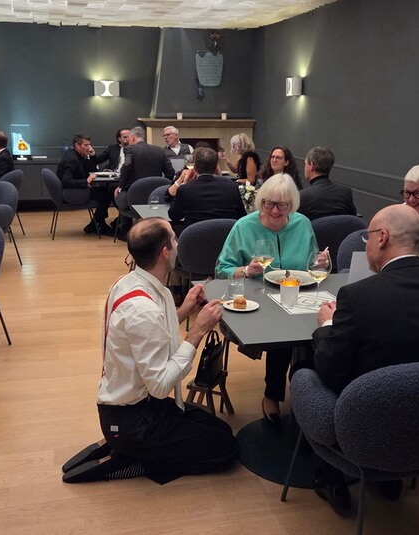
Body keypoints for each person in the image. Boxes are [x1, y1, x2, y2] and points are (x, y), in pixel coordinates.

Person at [310, 203, 419, 510]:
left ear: (382, 237)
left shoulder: (358, 297)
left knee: (306, 370)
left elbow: (329, 368)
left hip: (368, 433)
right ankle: (390, 480)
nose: (366, 244)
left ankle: (330, 476)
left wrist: (327, 325)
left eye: (367, 237)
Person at [62, 218, 239, 483]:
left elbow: (152, 333)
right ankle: (136, 460)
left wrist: (185, 309)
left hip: (137, 406)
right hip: (134, 419)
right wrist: (197, 331)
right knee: (227, 449)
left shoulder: (131, 282)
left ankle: (125, 447)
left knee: (220, 429)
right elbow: (160, 385)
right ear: (165, 253)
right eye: (174, 239)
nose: (178, 244)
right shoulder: (143, 310)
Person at [215, 173, 318, 423]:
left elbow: (312, 261)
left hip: (298, 295)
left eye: (282, 205)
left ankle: (305, 391)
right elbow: (221, 269)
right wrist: (244, 270)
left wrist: (320, 262)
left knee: (321, 331)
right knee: (284, 334)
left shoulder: (302, 224)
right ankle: (272, 395)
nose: (274, 211)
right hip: (256, 301)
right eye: (268, 204)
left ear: (291, 205)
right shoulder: (244, 227)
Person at [167, 146, 245, 235]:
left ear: (194, 167)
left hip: (194, 239)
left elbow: (174, 216)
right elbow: (242, 216)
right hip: (227, 238)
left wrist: (184, 183)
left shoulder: (185, 189)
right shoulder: (232, 187)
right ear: (216, 167)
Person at [114, 127, 173, 238]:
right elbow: (170, 172)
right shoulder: (159, 150)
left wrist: (120, 186)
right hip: (156, 198)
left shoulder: (130, 149)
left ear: (133, 137)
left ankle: (125, 229)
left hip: (134, 198)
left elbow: (127, 164)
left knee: (118, 196)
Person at [57, 133, 115, 236]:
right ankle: (98, 224)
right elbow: (66, 181)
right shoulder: (72, 159)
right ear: (77, 145)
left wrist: (91, 156)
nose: (89, 147)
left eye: (89, 144)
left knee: (105, 192)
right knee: (107, 195)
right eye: (86, 145)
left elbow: (90, 169)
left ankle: (95, 224)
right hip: (71, 192)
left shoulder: (78, 155)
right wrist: (86, 181)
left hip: (76, 189)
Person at [297, 147, 357, 221]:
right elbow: (353, 221)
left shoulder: (302, 196)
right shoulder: (345, 193)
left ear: (311, 165)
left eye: (305, 163)